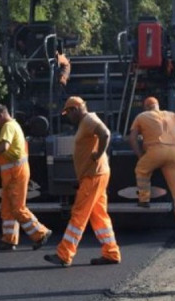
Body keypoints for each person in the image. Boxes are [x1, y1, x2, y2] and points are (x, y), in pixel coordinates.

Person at [44, 97, 121, 267]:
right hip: (96, 174)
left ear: (77, 108)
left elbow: (105, 134)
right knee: (99, 216)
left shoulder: (89, 120)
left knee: (79, 213)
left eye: (70, 112)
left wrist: (99, 154)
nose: (69, 116)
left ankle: (64, 254)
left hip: (93, 176)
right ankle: (111, 252)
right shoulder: (86, 122)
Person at [0, 104, 52, 251]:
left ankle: (41, 233)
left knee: (17, 208)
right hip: (11, 173)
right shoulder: (12, 125)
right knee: (7, 208)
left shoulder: (8, 126)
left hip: (15, 173)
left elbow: (4, 147)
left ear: (1, 115)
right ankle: (9, 240)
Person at [128, 96, 175, 239]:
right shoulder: (171, 115)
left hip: (155, 151)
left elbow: (132, 139)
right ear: (158, 106)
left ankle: (144, 200)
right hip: (174, 153)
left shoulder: (141, 116)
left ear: (146, 107)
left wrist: (140, 155)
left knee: (141, 169)